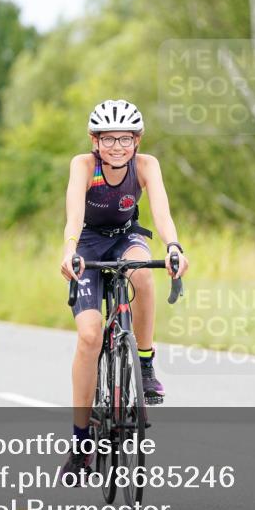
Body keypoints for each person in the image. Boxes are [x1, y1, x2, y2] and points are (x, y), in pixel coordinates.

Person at [59, 99, 189, 479]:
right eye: (109, 139)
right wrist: (69, 251)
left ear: (137, 140)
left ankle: (145, 364)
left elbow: (162, 213)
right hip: (87, 244)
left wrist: (174, 247)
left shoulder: (146, 166)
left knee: (143, 275)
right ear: (94, 141)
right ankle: (82, 443)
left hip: (126, 238)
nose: (117, 146)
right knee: (89, 336)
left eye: (126, 139)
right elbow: (73, 215)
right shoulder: (83, 165)